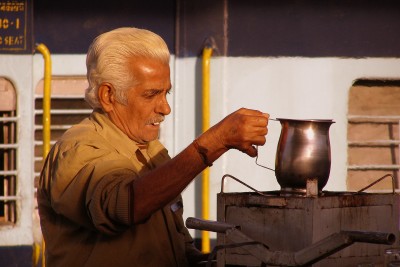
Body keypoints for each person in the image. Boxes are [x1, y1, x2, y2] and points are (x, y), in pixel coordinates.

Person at [37, 27, 269, 267]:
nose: (165, 108)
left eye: (166, 93)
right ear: (108, 96)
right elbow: (124, 207)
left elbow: (178, 248)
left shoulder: (154, 154)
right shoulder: (78, 148)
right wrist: (215, 142)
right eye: (151, 95)